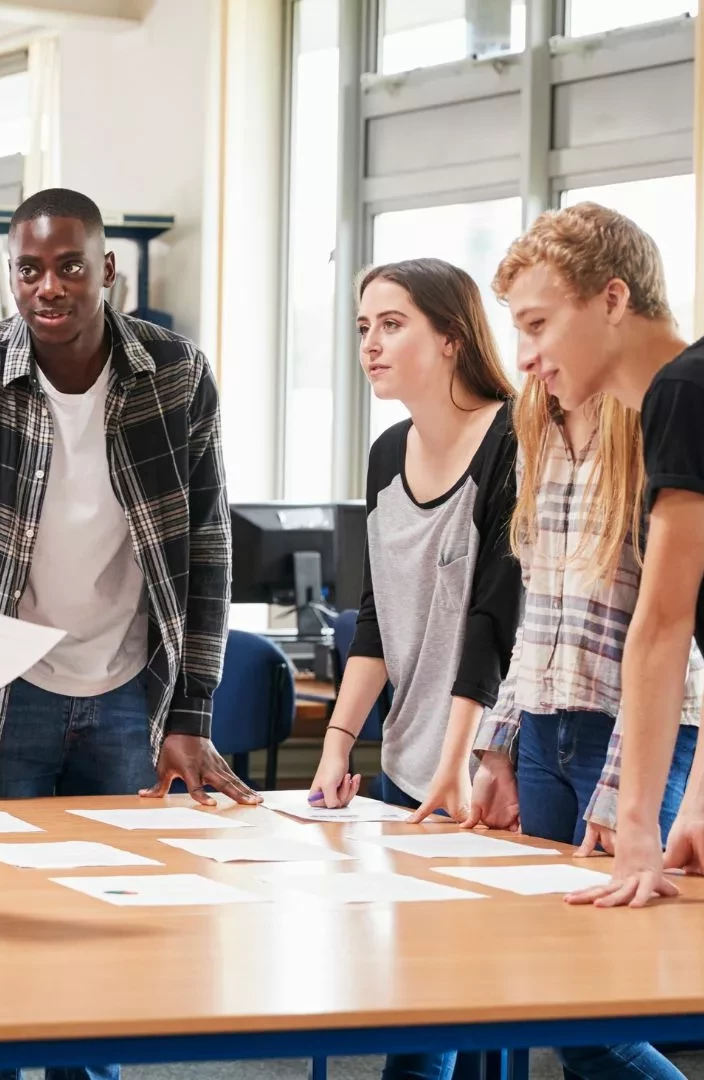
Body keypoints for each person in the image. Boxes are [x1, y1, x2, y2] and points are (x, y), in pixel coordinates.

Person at [0, 187, 256, 1080]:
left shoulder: (177, 373)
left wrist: (190, 712)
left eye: (71, 266)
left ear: (106, 269)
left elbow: (207, 551)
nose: (50, 287)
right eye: (30, 269)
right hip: (7, 694)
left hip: (124, 694)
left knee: (97, 957)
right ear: (12, 276)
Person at [308, 258, 520, 1080]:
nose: (371, 343)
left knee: (445, 1018)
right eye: (363, 326)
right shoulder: (387, 450)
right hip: (406, 764)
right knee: (431, 1003)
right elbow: (377, 617)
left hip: (475, 764)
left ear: (452, 339)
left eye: (392, 324)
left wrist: (458, 758)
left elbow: (494, 618)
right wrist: (338, 742)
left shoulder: (513, 439)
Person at [462, 371, 694, 1080]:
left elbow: (675, 642)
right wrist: (498, 744)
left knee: (591, 1023)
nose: (527, 357)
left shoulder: (656, 427)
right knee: (551, 994)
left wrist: (621, 793)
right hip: (540, 728)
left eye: (540, 326)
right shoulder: (538, 427)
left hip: (625, 738)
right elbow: (537, 608)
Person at [477, 202, 704, 910]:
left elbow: (663, 627)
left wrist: (637, 825)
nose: (524, 358)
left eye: (539, 325)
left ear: (613, 298)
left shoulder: (683, 393)